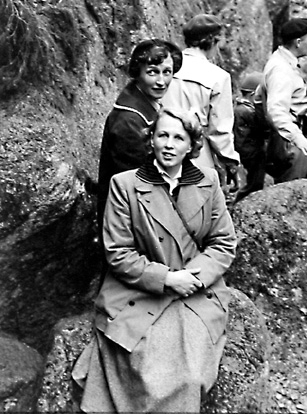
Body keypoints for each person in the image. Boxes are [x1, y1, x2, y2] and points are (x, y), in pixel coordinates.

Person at [73, 107, 237, 413]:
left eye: (179, 138)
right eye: (162, 135)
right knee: (143, 367)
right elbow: (118, 252)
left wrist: (194, 277)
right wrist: (166, 279)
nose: (169, 145)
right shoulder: (125, 185)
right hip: (140, 289)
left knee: (191, 376)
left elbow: (223, 242)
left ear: (192, 145)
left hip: (195, 291)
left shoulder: (209, 181)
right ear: (151, 140)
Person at [97, 39, 183, 259]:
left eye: (167, 72)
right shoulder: (129, 120)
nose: (161, 81)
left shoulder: (144, 104)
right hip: (129, 221)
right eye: (152, 72)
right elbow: (138, 184)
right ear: (137, 72)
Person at [162, 14, 240, 186]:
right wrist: (231, 162)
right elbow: (219, 130)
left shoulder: (167, 67)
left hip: (162, 144)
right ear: (212, 41)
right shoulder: (218, 77)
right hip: (196, 151)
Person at [258, 17, 307, 183]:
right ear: (298, 42)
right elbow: (276, 110)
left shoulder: (284, 62)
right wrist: (297, 138)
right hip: (292, 144)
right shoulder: (280, 70)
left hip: (300, 138)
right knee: (291, 190)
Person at [232, 71, 268, 203]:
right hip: (251, 153)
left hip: (247, 151)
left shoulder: (239, 108)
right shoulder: (248, 111)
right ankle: (240, 205)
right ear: (253, 95)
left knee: (254, 182)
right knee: (254, 184)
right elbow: (263, 129)